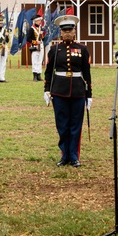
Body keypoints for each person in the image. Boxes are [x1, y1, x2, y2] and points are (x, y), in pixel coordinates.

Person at [43, 14, 92, 167]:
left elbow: (87, 72)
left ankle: (74, 156)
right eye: (64, 31)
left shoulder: (82, 49)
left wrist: (89, 94)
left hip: (78, 91)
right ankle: (64, 155)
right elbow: (49, 71)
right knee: (62, 125)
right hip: (59, 91)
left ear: (75, 31)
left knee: (76, 124)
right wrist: (46, 90)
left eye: (70, 30)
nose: (67, 33)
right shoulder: (54, 49)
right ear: (60, 33)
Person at [26, 16, 46, 82]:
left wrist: (42, 35)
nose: (40, 22)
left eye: (40, 21)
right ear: (35, 21)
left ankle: (39, 75)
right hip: (35, 46)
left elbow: (43, 38)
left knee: (40, 61)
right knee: (35, 61)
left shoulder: (41, 28)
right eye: (38, 21)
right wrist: (36, 42)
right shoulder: (31, 29)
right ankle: (35, 75)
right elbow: (28, 39)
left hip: (41, 46)